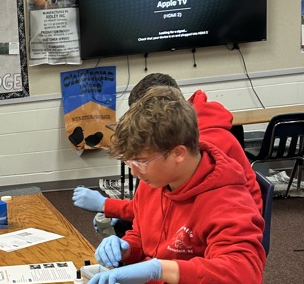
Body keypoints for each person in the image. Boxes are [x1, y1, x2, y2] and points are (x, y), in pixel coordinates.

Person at [85, 86, 265, 284]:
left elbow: (246, 277)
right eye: (129, 163)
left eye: (141, 162)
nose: (135, 172)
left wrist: (159, 268)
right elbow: (143, 231)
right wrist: (127, 247)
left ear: (179, 153)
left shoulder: (226, 200)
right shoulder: (155, 181)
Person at [72, 73, 262, 233]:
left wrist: (108, 206)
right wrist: (114, 210)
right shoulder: (169, 155)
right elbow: (152, 204)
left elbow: (180, 214)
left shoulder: (207, 147)